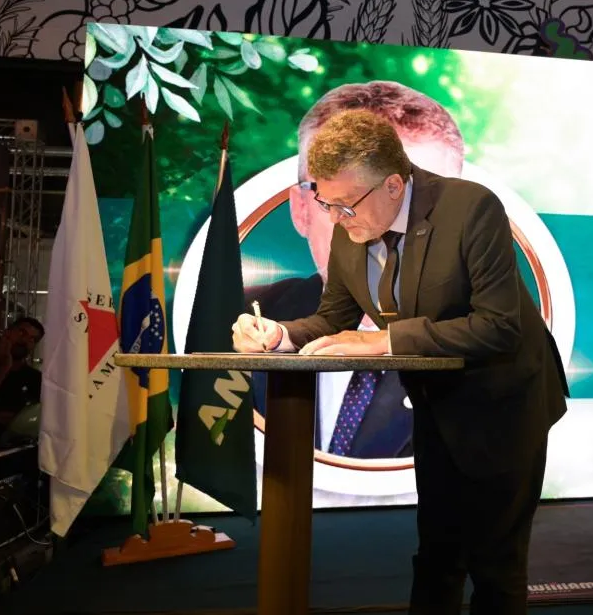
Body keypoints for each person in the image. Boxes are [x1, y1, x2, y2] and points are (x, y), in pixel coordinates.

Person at [232, 109, 569, 614]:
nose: (336, 219)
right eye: (326, 204)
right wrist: (278, 335)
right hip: (436, 403)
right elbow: (331, 318)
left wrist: (384, 342)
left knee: (495, 565)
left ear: (393, 184)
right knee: (437, 556)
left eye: (345, 205)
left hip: (504, 404)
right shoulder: (352, 227)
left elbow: (499, 326)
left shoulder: (471, 208)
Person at [245, 80, 466, 461]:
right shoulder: (237, 315)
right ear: (301, 209)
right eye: (347, 199)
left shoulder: (488, 337)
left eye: (415, 202)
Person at [0, 316, 44, 444]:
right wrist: (4, 367)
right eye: (22, 333)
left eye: (32, 339)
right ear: (7, 332)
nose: (25, 340)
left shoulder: (36, 380)